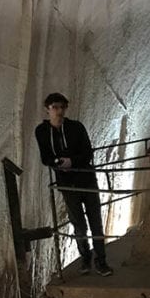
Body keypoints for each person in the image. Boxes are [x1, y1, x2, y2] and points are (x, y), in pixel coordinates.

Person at [34, 93, 113, 277]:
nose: (59, 111)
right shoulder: (42, 131)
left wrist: (71, 162)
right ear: (48, 109)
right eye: (55, 107)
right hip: (67, 183)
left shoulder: (76, 127)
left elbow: (87, 152)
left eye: (62, 107)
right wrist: (58, 162)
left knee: (95, 221)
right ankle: (85, 258)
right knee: (78, 223)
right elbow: (45, 157)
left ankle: (101, 261)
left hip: (86, 181)